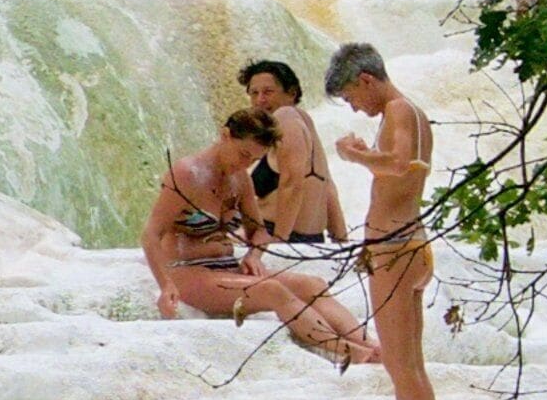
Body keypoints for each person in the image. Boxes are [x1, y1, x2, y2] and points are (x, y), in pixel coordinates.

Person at [142, 110, 378, 364]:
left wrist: (254, 255)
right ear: (225, 135)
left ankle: (371, 345)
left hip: (227, 269)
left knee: (313, 285)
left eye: (254, 160)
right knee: (272, 290)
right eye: (244, 154)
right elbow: (150, 233)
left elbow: (260, 230)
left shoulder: (239, 177)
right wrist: (166, 285)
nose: (246, 164)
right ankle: (349, 352)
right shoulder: (187, 174)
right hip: (188, 271)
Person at [326, 42, 438, 400]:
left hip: (394, 247)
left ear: (366, 80)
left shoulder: (399, 111)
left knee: (401, 366)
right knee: (409, 365)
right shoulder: (410, 112)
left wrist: (355, 154)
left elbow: (398, 163)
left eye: (353, 97)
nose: (356, 109)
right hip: (406, 242)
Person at [236, 59, 345, 247]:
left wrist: (279, 239)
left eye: (268, 92)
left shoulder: (285, 117)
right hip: (310, 238)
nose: (260, 100)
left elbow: (292, 182)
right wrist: (341, 241)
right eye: (254, 93)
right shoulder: (304, 122)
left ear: (292, 93)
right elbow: (327, 188)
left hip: (280, 236)